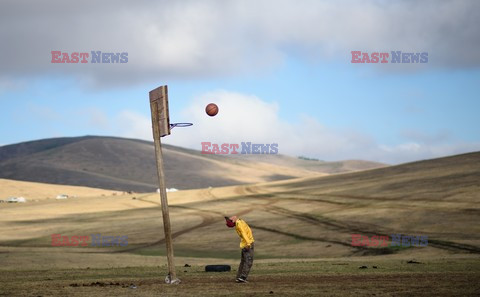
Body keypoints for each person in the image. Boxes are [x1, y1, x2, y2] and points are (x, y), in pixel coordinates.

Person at [225, 216, 255, 283]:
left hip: (244, 244)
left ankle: (239, 277)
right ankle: (243, 277)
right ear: (233, 221)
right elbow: (244, 234)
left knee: (243, 262)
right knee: (248, 261)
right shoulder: (239, 224)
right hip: (247, 244)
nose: (232, 216)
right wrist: (248, 244)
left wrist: (227, 219)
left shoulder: (238, 222)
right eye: (231, 218)